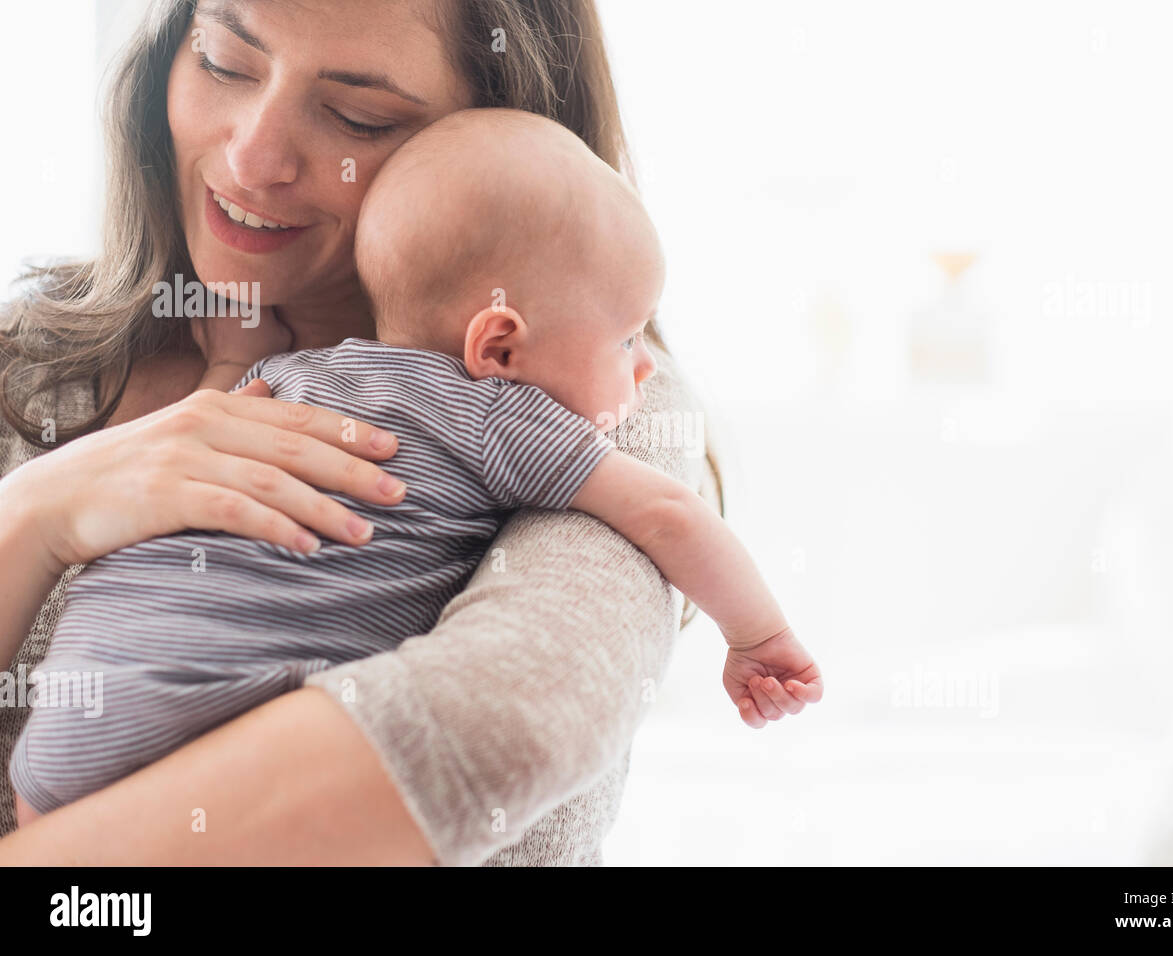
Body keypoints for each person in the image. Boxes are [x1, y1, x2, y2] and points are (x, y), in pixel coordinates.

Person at [0, 0, 789, 865]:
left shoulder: (594, 399)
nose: (252, 157)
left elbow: (495, 725)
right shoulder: (28, 363)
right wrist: (32, 514)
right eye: (224, 61)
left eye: (356, 117)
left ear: (494, 131)